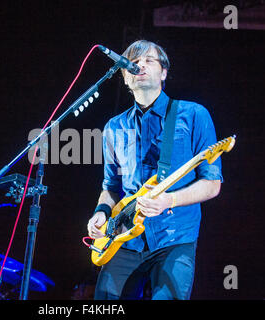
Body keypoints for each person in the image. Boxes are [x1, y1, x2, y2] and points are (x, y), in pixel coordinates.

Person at [87, 39, 223, 300]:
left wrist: (169, 200)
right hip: (123, 240)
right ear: (125, 77)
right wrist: (101, 213)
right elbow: (110, 187)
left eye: (149, 60)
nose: (140, 66)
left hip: (174, 238)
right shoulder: (113, 127)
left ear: (164, 73)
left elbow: (212, 183)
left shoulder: (194, 115)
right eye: (133, 63)